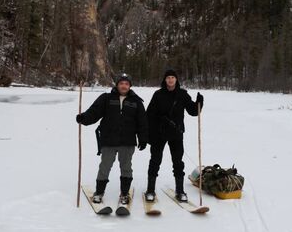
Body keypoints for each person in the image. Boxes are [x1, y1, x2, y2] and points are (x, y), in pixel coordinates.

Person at [76, 73, 148, 204]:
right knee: (105, 166)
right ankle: (99, 193)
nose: (124, 86)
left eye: (126, 84)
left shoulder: (136, 101)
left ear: (130, 86)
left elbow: (142, 122)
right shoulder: (106, 98)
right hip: (109, 139)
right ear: (117, 85)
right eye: (121, 83)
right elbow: (94, 112)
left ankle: (124, 194)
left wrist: (143, 139)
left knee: (126, 167)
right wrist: (84, 118)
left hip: (127, 141)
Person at [145, 69, 203, 202]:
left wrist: (199, 102)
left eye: (172, 77)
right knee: (155, 161)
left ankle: (180, 190)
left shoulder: (182, 94)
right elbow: (149, 115)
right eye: (168, 78)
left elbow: (193, 111)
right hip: (159, 134)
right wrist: (148, 135)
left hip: (176, 134)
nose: (170, 80)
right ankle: (150, 190)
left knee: (178, 162)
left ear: (176, 80)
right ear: (164, 80)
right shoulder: (158, 94)